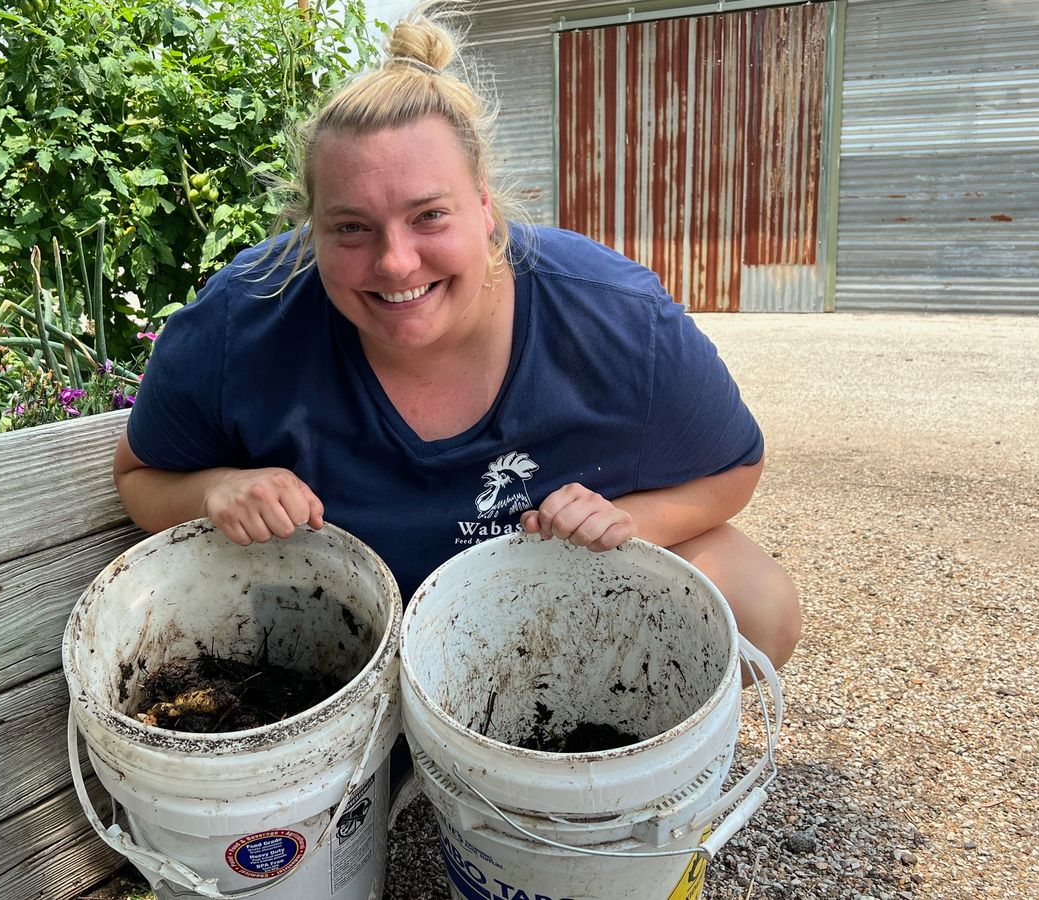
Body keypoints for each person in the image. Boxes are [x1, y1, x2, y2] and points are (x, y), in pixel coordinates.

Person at [113, 8, 801, 673]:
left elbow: (736, 469)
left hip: (548, 625)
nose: (396, 262)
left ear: (483, 205)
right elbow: (140, 477)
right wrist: (218, 489)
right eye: (350, 227)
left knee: (757, 602)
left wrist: (628, 520)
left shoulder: (612, 312)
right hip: (335, 644)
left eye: (429, 215)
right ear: (309, 227)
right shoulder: (243, 315)